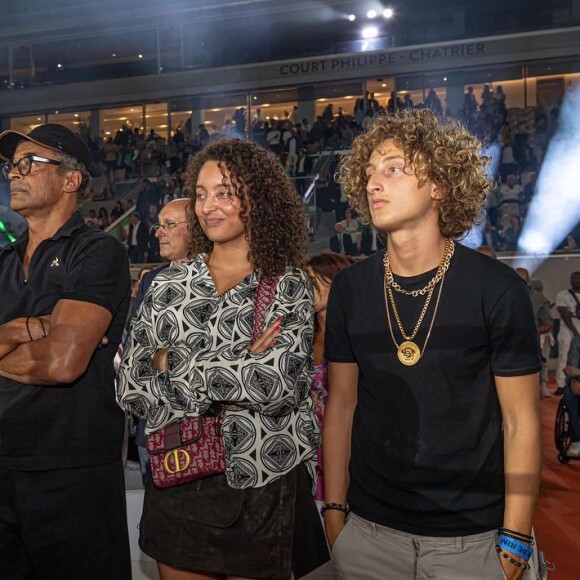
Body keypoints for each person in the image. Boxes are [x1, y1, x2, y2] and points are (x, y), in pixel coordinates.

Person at [324, 109, 541, 579]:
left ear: (439, 185)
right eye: (369, 172)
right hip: (368, 535)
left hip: (475, 540)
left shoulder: (498, 289)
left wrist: (515, 542)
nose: (374, 183)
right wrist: (335, 512)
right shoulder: (351, 289)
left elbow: (520, 420)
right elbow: (341, 406)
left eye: (393, 168)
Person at [117, 138, 329, 580]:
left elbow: (276, 385)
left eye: (225, 193)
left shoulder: (287, 284)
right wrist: (238, 363)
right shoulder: (166, 285)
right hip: (179, 473)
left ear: (258, 199)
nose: (208, 206)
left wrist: (172, 362)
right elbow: (131, 388)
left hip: (262, 480)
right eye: (201, 193)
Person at [0, 123, 131, 579]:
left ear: (70, 180)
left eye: (28, 164)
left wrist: (10, 336)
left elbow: (62, 362)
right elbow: (54, 348)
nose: (14, 174)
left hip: (73, 475)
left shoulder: (97, 251)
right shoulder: (2, 261)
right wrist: (37, 327)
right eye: (11, 166)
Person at [131, 198, 192, 481]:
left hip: (202, 429)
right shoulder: (149, 281)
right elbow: (136, 350)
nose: (158, 232)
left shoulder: (221, 279)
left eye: (169, 225)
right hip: (153, 424)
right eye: (159, 225)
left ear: (196, 231)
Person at [304, 252, 353, 501]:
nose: (307, 288)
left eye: (314, 282)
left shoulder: (352, 334)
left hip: (343, 442)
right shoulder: (303, 335)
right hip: (307, 444)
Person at [555, 272, 580, 394]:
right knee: (564, 356)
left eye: (578, 278)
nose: (575, 281)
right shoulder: (562, 295)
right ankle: (561, 384)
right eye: (573, 278)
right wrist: (575, 332)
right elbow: (564, 314)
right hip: (567, 330)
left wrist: (572, 313)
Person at [529, 279, 554, 399]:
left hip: (539, 337)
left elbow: (547, 324)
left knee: (542, 363)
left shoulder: (539, 299)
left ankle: (542, 386)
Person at [563, 335, 580, 457]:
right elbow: (570, 368)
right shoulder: (577, 341)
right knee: (569, 393)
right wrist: (573, 380)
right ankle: (576, 439)